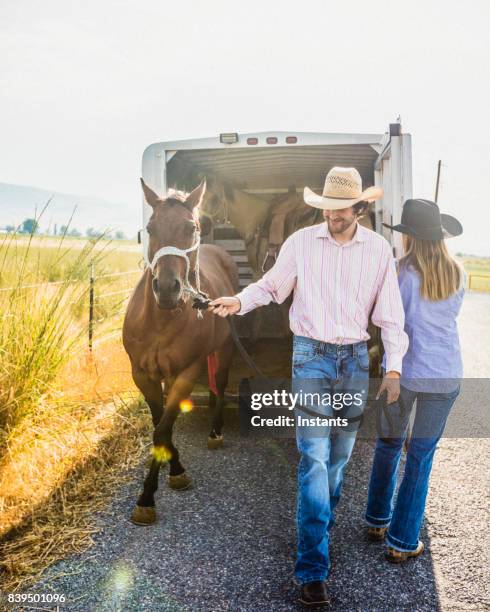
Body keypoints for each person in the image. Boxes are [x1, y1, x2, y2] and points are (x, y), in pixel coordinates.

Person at [209, 167, 408, 607]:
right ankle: (312, 568)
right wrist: (239, 301)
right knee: (315, 460)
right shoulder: (301, 243)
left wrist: (393, 370)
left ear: (360, 208)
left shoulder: (377, 250)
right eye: (327, 208)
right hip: (311, 358)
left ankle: (314, 526)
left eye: (342, 209)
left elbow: (392, 316)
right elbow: (272, 286)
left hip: (355, 360)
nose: (333, 216)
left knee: (339, 460)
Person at [365, 198, 464, 563]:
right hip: (443, 374)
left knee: (388, 445)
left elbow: (384, 320)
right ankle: (402, 541)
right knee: (420, 457)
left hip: (401, 373)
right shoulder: (459, 272)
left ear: (408, 236)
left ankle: (377, 520)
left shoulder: (396, 271)